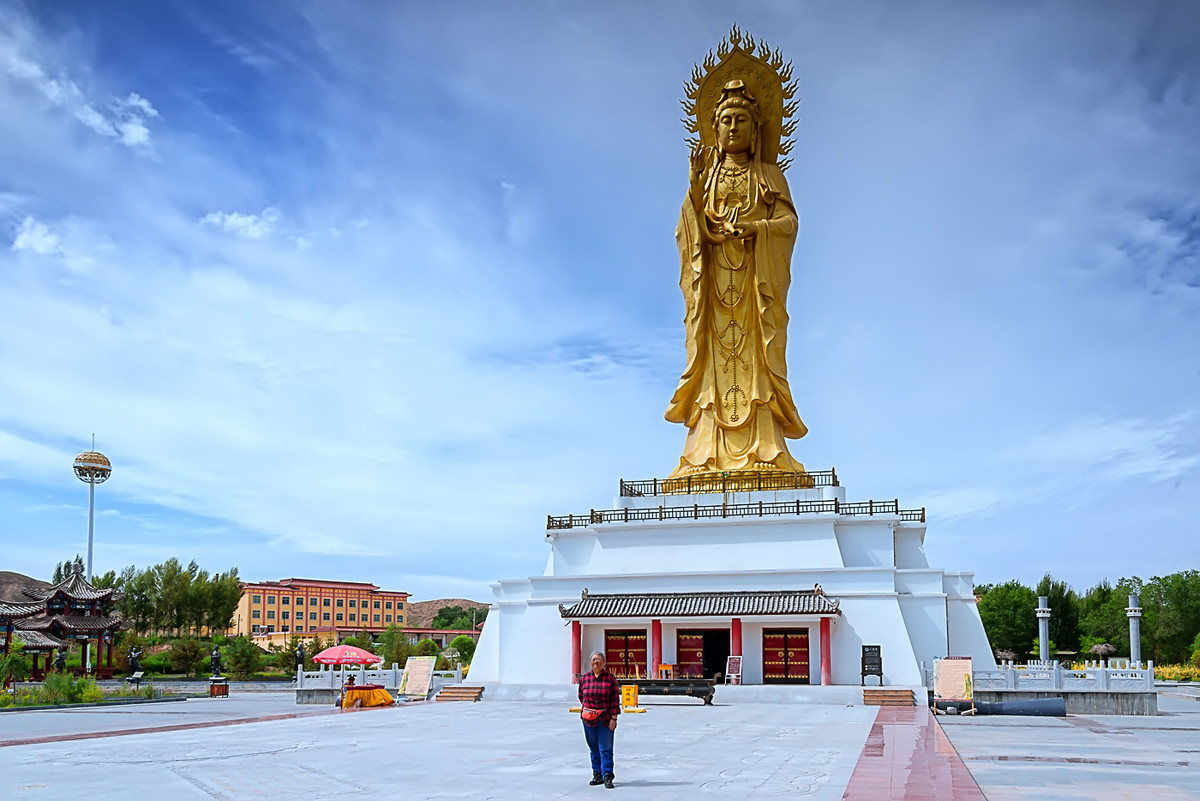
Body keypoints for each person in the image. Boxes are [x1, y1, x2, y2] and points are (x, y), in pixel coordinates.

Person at [665, 79, 807, 476]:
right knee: (714, 363)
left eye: (741, 119)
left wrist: (757, 228)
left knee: (756, 361)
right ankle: (705, 452)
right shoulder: (706, 179)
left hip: (755, 286)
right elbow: (686, 229)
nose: (732, 128)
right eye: (725, 120)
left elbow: (789, 224)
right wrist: (695, 191)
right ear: (714, 127)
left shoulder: (768, 175)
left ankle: (767, 449)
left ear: (756, 127)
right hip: (713, 290)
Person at [578, 650, 621, 789]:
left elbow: (615, 699)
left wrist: (613, 718)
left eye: (599, 659)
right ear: (590, 662)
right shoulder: (585, 678)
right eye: (593, 659)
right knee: (593, 748)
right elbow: (581, 696)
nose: (596, 661)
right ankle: (597, 774)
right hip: (588, 720)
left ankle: (607, 775)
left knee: (606, 749)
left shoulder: (610, 679)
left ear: (604, 663)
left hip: (605, 720)